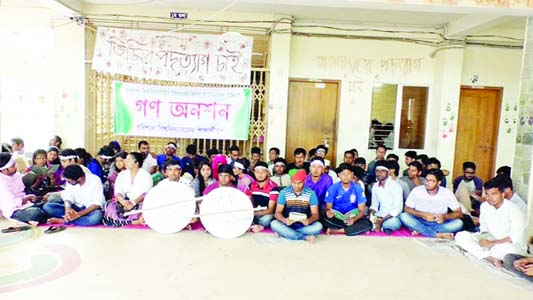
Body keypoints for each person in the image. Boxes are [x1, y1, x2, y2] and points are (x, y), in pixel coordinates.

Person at [455, 177, 526, 267]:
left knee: (510, 251)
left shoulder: (514, 210)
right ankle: (489, 257)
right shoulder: (484, 206)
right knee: (460, 236)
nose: (489, 198)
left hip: (505, 244)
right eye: (487, 194)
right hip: (489, 240)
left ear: (503, 194)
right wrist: (484, 238)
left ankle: (480, 254)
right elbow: (483, 227)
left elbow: (515, 238)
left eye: (493, 194)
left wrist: (492, 243)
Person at [400, 169, 463, 239]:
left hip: (438, 223)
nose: (427, 183)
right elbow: (407, 208)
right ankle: (436, 234)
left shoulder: (447, 193)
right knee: (404, 216)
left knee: (459, 223)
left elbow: (459, 213)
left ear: (439, 182)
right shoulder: (417, 190)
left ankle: (421, 230)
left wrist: (445, 217)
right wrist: (422, 214)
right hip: (420, 220)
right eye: (427, 180)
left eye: (432, 181)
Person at [270, 169, 323, 243]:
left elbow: (315, 214)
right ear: (291, 181)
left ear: (304, 181)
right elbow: (277, 213)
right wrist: (285, 220)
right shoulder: (284, 192)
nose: (296, 186)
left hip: (303, 225)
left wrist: (309, 221)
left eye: (299, 183)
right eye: (294, 183)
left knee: (318, 226)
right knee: (274, 224)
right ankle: (304, 237)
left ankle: (286, 233)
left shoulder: (311, 193)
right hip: (287, 223)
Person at [103, 152, 153, 227]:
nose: (125, 161)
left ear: (137, 163)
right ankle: (133, 221)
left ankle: (128, 221)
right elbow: (118, 191)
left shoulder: (146, 176)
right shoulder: (122, 175)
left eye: (128, 160)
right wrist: (123, 201)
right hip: (125, 203)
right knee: (110, 206)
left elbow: (145, 194)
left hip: (139, 203)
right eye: (125, 159)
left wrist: (133, 203)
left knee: (146, 209)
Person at [0, 153, 48, 225]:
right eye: (13, 166)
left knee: (49, 204)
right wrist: (28, 197)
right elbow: (12, 203)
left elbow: (24, 190)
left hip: (28, 204)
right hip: (14, 211)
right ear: (4, 170)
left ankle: (45, 212)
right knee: (35, 213)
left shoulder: (16, 175)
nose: (16, 167)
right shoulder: (1, 183)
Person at [323, 163, 370, 235]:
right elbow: (328, 208)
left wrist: (353, 219)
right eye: (343, 174)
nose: (345, 176)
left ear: (352, 174)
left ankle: (338, 230)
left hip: (353, 216)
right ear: (338, 175)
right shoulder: (333, 188)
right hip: (337, 217)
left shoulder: (358, 189)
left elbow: (361, 211)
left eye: (348, 174)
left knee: (368, 223)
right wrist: (329, 212)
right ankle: (353, 229)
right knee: (324, 219)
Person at [369, 161, 404, 234]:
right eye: (377, 171)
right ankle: (382, 227)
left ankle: (380, 226)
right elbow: (374, 205)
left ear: (388, 173)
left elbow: (397, 209)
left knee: (395, 223)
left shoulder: (396, 186)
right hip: (380, 214)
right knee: (367, 220)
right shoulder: (375, 186)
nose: (379, 173)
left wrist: (382, 220)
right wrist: (371, 215)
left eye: (383, 171)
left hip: (392, 217)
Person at [249, 162, 279, 233]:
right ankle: (255, 224)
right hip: (254, 213)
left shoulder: (273, 187)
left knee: (266, 219)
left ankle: (255, 225)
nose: (260, 174)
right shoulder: (251, 185)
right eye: (257, 172)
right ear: (254, 173)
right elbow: (249, 200)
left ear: (267, 173)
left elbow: (271, 210)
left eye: (263, 172)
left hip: (266, 214)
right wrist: (250, 213)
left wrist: (255, 214)